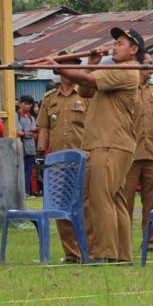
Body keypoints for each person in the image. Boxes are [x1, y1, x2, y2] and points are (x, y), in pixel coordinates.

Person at [52, 28, 143, 263]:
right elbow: (86, 90)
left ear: (134, 50)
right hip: (107, 142)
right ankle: (122, 254)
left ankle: (104, 253)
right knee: (115, 199)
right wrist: (91, 63)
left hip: (109, 142)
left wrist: (58, 66)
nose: (115, 46)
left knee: (99, 198)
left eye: (120, 43)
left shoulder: (127, 69)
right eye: (115, 42)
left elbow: (85, 80)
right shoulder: (114, 69)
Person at [37, 58, 91, 262]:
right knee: (61, 206)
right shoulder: (50, 98)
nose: (70, 70)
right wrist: (41, 154)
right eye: (65, 66)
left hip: (83, 158)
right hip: (58, 161)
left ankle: (87, 249)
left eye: (74, 66)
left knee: (85, 205)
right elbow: (44, 128)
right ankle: (71, 252)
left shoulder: (86, 95)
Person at [122, 56, 153, 256]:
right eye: (148, 64)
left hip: (152, 153)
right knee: (125, 200)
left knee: (152, 202)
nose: (152, 68)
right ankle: (122, 241)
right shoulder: (126, 89)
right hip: (130, 154)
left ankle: (150, 241)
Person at [16, 95, 37, 197]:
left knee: (29, 170)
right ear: (21, 103)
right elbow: (16, 131)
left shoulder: (32, 118)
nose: (27, 106)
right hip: (20, 147)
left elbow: (35, 131)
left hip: (31, 148)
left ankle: (27, 191)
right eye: (25, 103)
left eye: (29, 104)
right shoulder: (17, 116)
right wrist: (24, 134)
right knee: (21, 170)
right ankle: (22, 191)